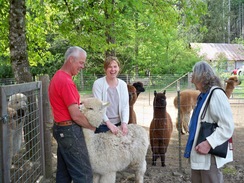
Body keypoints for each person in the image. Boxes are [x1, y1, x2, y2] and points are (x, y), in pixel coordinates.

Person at [49, 46, 95, 183]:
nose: (83, 66)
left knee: (64, 174)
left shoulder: (58, 76)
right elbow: (75, 115)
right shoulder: (66, 82)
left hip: (61, 129)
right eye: (81, 62)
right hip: (69, 131)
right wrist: (91, 127)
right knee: (84, 175)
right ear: (71, 60)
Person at [184, 61, 234, 183]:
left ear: (201, 76)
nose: (191, 80)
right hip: (199, 153)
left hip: (209, 155)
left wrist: (209, 143)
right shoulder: (203, 95)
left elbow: (227, 127)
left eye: (194, 76)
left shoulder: (216, 94)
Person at [92, 56, 129, 135]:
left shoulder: (123, 85)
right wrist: (108, 123)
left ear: (119, 68)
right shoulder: (98, 84)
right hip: (103, 124)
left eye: (115, 67)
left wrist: (124, 123)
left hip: (119, 124)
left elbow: (125, 106)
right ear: (105, 69)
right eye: (109, 67)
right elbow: (99, 106)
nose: (113, 69)